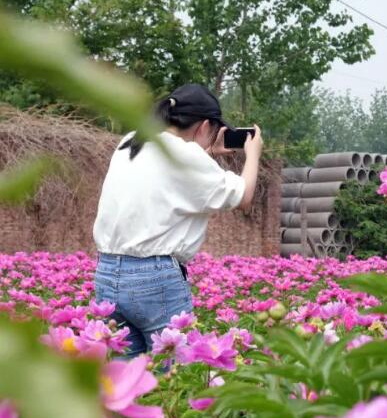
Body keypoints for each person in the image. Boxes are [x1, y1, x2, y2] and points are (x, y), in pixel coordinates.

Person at [92, 83, 263, 358]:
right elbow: (243, 197)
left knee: (127, 380)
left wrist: (206, 154)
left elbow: (169, 176)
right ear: (205, 126)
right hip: (153, 279)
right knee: (174, 373)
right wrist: (253, 154)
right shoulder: (187, 156)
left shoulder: (131, 141)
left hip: (107, 274)